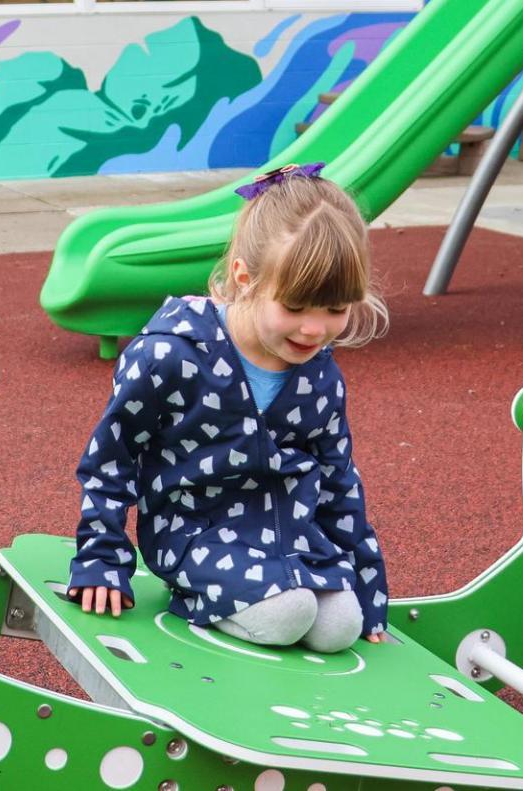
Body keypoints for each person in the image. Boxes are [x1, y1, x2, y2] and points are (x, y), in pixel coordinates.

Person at [65, 164, 392, 654]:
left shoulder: (320, 375)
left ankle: (279, 599)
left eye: (336, 309)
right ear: (244, 277)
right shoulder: (170, 355)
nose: (314, 330)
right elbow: (111, 459)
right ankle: (201, 600)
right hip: (194, 532)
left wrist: (368, 583)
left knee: (342, 625)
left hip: (290, 537)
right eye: (295, 307)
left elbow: (338, 480)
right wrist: (102, 559)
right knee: (288, 614)